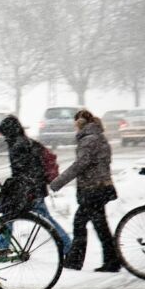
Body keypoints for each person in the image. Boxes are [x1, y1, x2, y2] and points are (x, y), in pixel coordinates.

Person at [0, 115, 72, 255]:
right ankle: (67, 245)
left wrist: (16, 189)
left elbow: (20, 172)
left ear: (9, 132)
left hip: (28, 190)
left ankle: (68, 246)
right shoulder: (29, 142)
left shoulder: (18, 146)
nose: (4, 138)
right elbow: (33, 169)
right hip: (35, 188)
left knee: (11, 215)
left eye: (4, 134)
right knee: (44, 220)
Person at [50, 110, 119, 272]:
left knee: (81, 223)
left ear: (79, 123)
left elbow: (80, 165)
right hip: (101, 187)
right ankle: (111, 260)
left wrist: (58, 182)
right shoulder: (99, 137)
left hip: (92, 189)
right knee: (99, 225)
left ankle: (76, 261)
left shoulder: (88, 140)